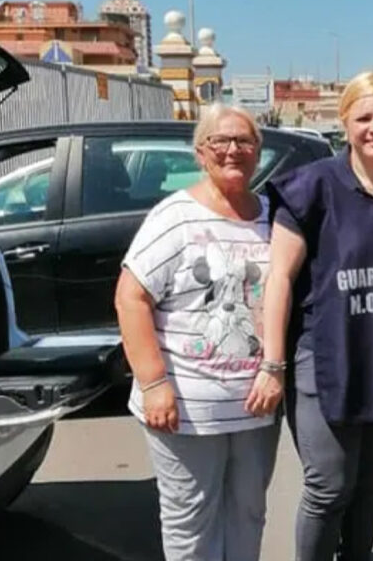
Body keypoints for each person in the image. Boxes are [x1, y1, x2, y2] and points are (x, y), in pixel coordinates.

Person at [261, 70, 373, 561]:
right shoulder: (313, 187)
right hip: (326, 358)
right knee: (329, 486)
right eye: (365, 117)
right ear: (345, 122)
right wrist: (272, 365)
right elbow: (277, 279)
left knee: (370, 482)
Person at [114, 104, 282, 561]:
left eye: (244, 142)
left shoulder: (273, 215)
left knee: (248, 513)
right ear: (200, 153)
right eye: (220, 142)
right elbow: (131, 298)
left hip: (256, 405)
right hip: (186, 407)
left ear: (258, 153)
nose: (233, 151)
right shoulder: (175, 216)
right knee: (191, 521)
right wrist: (153, 383)